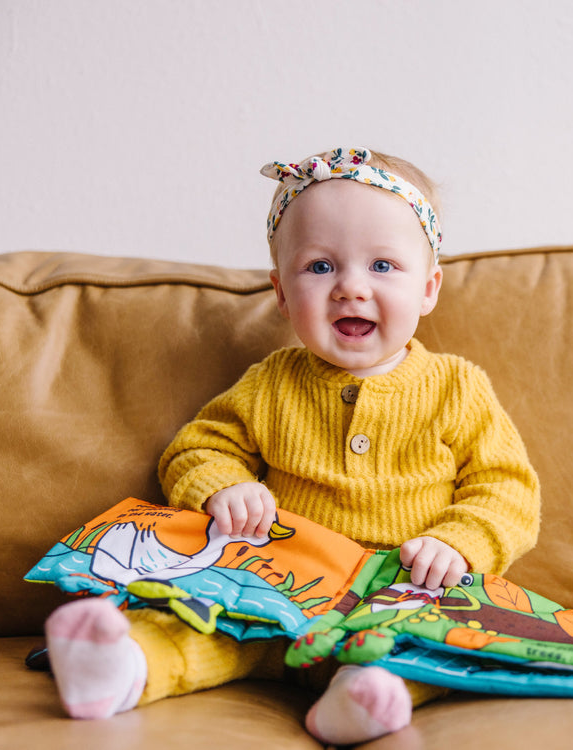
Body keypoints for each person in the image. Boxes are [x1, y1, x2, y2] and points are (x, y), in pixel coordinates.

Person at [44, 147, 541, 744]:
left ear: (429, 287)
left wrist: (459, 541)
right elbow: (198, 448)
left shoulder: (458, 387)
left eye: (383, 266)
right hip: (278, 590)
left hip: (400, 592)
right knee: (206, 625)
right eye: (320, 267)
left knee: (428, 644)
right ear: (281, 293)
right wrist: (225, 484)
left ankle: (363, 697)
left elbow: (508, 488)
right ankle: (119, 667)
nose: (351, 289)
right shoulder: (271, 383)